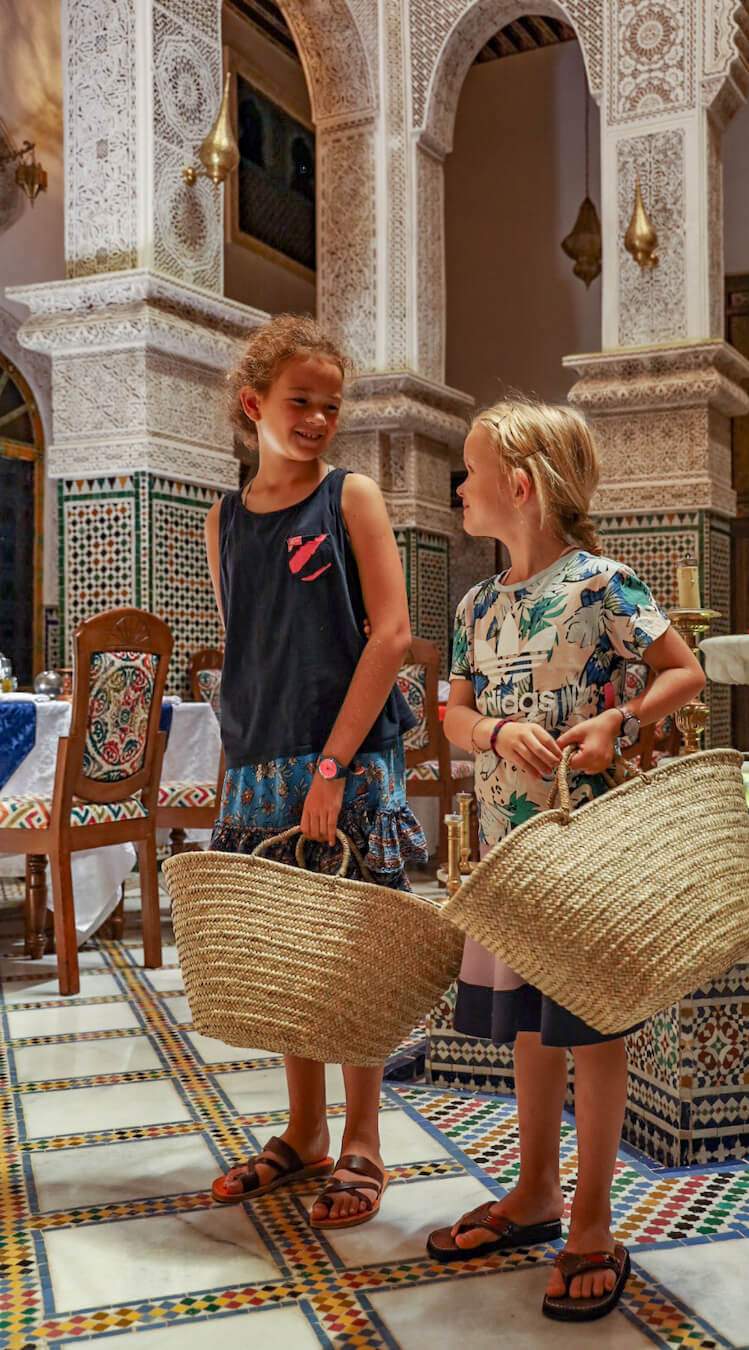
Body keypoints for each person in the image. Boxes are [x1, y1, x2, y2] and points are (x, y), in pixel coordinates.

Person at [427, 399, 705, 1321]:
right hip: (511, 857)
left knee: (589, 1026)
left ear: (519, 487)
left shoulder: (603, 586)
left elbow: (684, 672)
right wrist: (497, 730)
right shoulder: (476, 603)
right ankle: (536, 1192)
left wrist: (619, 721)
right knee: (533, 1028)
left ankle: (591, 1219)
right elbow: (452, 715)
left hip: (583, 849)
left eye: (467, 473)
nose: (457, 487)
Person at [204, 315, 426, 1227]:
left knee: (353, 951)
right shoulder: (223, 521)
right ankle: (302, 1132)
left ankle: (363, 1135)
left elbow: (394, 635)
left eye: (331, 406)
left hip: (350, 758)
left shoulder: (351, 497)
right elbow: (242, 647)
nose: (319, 419)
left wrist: (333, 764)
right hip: (260, 763)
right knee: (289, 955)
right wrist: (242, 765)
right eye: (301, 402)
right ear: (254, 404)